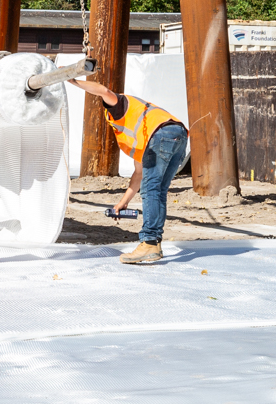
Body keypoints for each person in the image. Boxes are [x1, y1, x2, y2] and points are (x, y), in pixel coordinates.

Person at [70, 78, 188, 265]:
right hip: (178, 134)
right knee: (157, 190)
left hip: (161, 134)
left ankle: (149, 242)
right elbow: (138, 175)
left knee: (151, 190)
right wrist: (122, 203)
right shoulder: (139, 130)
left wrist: (71, 79)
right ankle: (154, 244)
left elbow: (102, 90)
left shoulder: (119, 106)